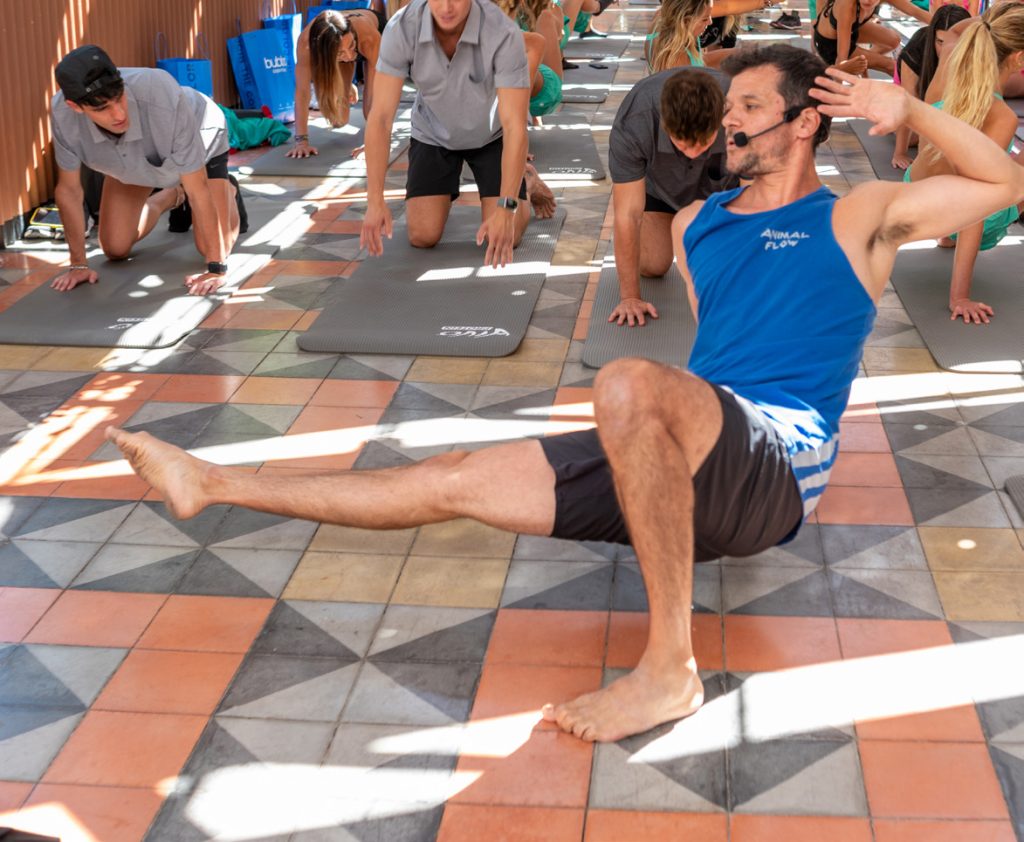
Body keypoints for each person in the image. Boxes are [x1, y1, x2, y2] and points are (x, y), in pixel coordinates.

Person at [107, 44, 1024, 743]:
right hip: (699, 453)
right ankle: (212, 483)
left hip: (780, 463)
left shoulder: (856, 216)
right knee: (455, 476)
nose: (732, 123)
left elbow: (1001, 180)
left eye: (751, 107)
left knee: (625, 381)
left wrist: (907, 107)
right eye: (729, 107)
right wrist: (665, 456)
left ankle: (671, 667)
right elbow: (715, 357)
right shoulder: (701, 223)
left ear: (804, 124)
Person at [49, 45, 242, 296]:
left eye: (119, 97)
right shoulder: (62, 114)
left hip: (200, 140)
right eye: (102, 109)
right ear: (76, 106)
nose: (118, 114)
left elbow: (198, 189)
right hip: (131, 162)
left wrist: (217, 269)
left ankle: (228, 189)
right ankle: (172, 196)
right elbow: (69, 190)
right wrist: (78, 264)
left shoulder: (158, 89)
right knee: (115, 248)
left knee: (211, 248)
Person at [359, 0, 535, 269]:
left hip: (491, 136)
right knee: (422, 235)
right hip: (433, 132)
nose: (447, 7)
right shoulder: (402, 28)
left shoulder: (503, 33)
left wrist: (507, 205)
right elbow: (381, 118)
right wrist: (374, 200)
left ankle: (528, 182)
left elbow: (514, 127)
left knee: (504, 235)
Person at [904, 3, 1024, 324]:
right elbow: (974, 205)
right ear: (1019, 58)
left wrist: (988, 20)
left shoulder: (948, 64)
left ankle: (946, 235)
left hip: (913, 196)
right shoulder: (1001, 117)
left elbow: (957, 30)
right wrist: (960, 296)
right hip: (950, 216)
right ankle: (948, 235)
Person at [607, 67, 737, 326]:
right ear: (665, 125)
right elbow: (628, 215)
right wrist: (630, 297)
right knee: (652, 265)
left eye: (703, 142)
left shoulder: (743, 111)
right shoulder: (636, 120)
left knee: (728, 270)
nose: (693, 152)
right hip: (662, 190)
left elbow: (760, 198)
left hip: (724, 191)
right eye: (682, 143)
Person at [287, 9, 385, 159]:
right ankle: (345, 87)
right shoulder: (306, 44)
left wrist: (373, 140)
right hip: (334, 45)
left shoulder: (368, 37)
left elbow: (375, 94)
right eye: (341, 53)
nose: (350, 56)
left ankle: (345, 78)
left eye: (351, 47)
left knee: (369, 108)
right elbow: (302, 91)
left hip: (370, 34)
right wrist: (301, 141)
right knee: (338, 120)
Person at [892, 3, 970, 168]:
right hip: (915, 97)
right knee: (916, 136)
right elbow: (907, 103)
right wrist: (900, 153)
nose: (946, 49)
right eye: (940, 42)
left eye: (954, 43)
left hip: (947, 101)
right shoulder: (915, 50)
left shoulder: (973, 49)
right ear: (933, 37)